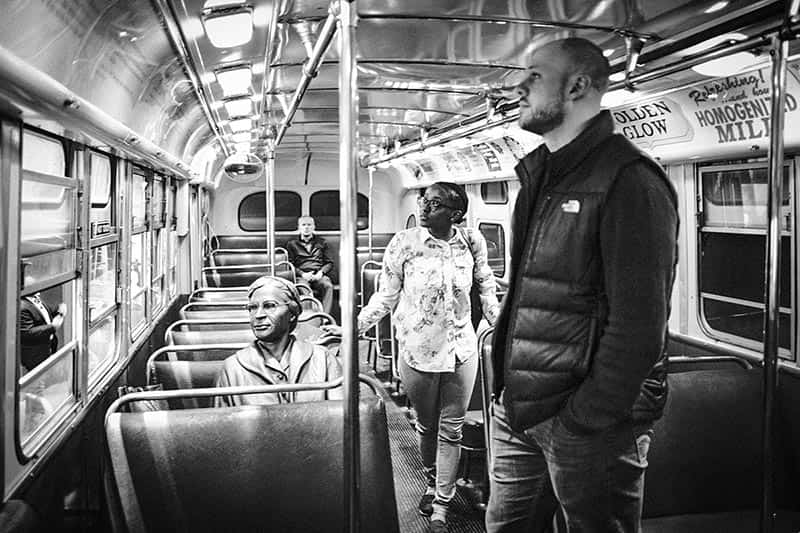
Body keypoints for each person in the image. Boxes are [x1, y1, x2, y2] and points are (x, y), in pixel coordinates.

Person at [485, 38, 679, 532]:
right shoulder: (539, 174)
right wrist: (505, 384)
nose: (518, 86)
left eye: (533, 76)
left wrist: (583, 421)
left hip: (587, 421)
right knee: (505, 526)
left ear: (577, 86)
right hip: (522, 405)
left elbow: (639, 325)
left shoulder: (630, 180)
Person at [322, 181, 499, 533]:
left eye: (434, 202)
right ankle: (431, 480)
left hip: (461, 349)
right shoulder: (404, 244)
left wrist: (502, 324)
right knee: (427, 425)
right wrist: (353, 328)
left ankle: (441, 504)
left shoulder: (471, 242)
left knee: (452, 429)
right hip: (417, 350)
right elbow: (384, 297)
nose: (424, 205)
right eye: (423, 199)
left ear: (456, 214)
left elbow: (486, 288)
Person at [214, 276, 342, 407]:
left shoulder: (323, 359)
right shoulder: (232, 368)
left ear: (292, 314)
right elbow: (224, 423)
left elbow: (340, 418)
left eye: (269, 306)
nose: (258, 315)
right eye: (252, 307)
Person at [285, 216, 334, 313]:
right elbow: (289, 264)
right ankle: (309, 317)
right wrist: (303, 274)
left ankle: (325, 316)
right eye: (303, 225)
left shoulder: (322, 242)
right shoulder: (292, 244)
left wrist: (321, 273)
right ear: (299, 227)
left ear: (314, 227)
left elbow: (329, 262)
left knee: (328, 285)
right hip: (302, 276)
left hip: (318, 274)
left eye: (309, 225)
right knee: (303, 288)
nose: (306, 227)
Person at [19, 288, 67, 373]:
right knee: (39, 380)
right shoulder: (22, 307)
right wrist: (53, 327)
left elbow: (45, 315)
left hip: (48, 346)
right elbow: (27, 333)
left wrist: (58, 310)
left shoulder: (35, 299)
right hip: (35, 354)